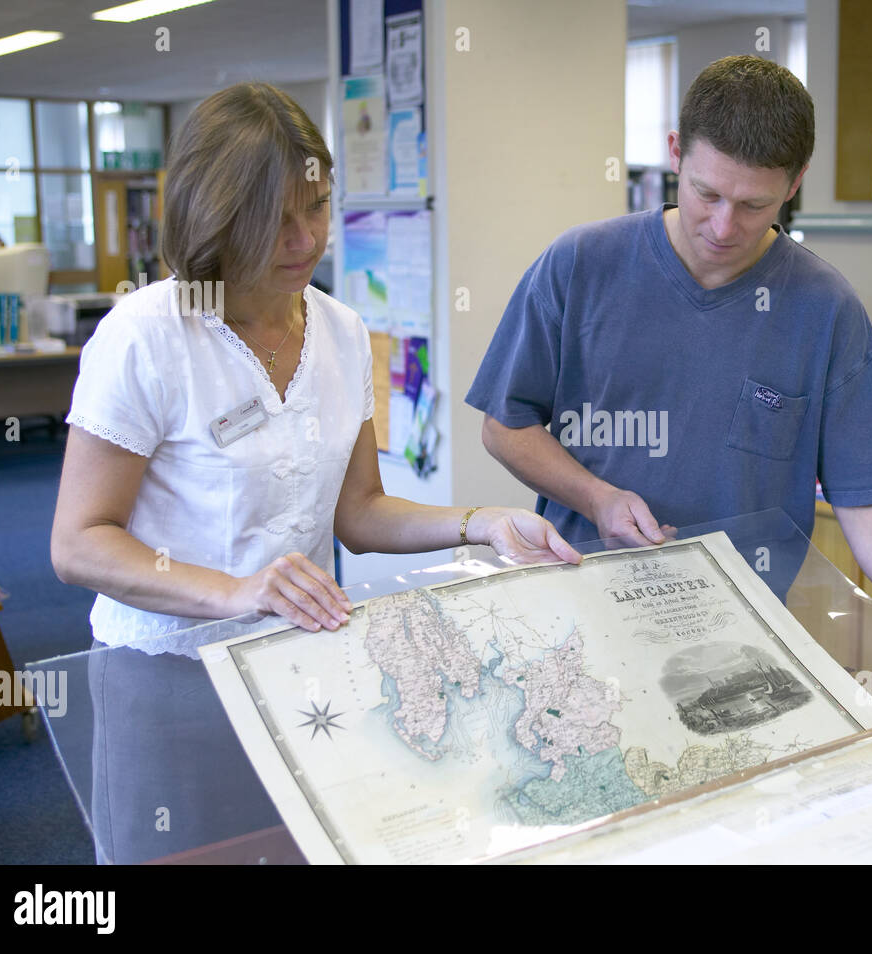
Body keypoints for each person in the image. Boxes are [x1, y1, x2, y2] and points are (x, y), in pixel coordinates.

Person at [49, 83, 578, 863]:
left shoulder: (338, 328)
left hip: (304, 668)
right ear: (217, 217)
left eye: (318, 208)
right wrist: (237, 591)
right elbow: (80, 544)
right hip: (170, 678)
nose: (305, 240)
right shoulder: (148, 335)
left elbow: (359, 511)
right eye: (276, 220)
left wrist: (482, 522)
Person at [466, 56, 872, 697]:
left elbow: (868, 499)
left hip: (740, 643)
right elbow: (505, 424)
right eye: (707, 194)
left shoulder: (824, 307)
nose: (724, 227)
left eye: (754, 205)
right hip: (583, 622)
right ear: (675, 156)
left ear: (796, 183)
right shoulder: (581, 265)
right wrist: (597, 498)